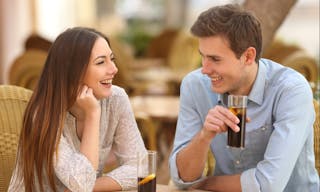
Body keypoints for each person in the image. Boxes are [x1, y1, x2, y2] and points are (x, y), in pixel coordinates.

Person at [169, 4, 319, 192]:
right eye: (203, 57)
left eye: (215, 59)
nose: (205, 69)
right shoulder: (195, 85)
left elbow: (268, 186)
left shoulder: (291, 90)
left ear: (248, 56)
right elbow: (182, 178)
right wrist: (204, 136)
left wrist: (205, 183)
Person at [9, 27, 147, 192]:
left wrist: (92, 186)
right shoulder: (43, 113)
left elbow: (141, 168)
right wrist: (93, 114)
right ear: (74, 71)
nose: (114, 69)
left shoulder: (116, 99)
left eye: (112, 59)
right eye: (101, 62)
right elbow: (81, 184)